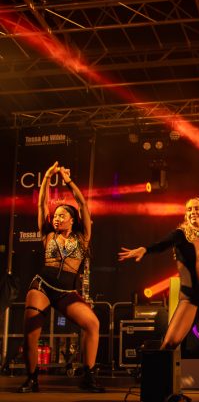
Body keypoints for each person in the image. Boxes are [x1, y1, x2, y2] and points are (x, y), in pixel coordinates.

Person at [118, 197, 199, 394]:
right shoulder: (180, 234)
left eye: (196, 208)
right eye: (189, 210)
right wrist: (145, 249)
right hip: (191, 297)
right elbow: (162, 244)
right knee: (169, 343)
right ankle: (156, 382)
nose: (192, 212)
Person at [19, 161, 104, 393]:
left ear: (72, 219)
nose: (56, 218)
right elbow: (41, 205)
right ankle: (32, 379)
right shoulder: (48, 235)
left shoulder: (83, 237)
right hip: (42, 286)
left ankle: (88, 377)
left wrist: (68, 181)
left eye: (62, 215)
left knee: (92, 324)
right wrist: (47, 177)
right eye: (55, 215)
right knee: (31, 331)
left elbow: (83, 204)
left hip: (66, 292)